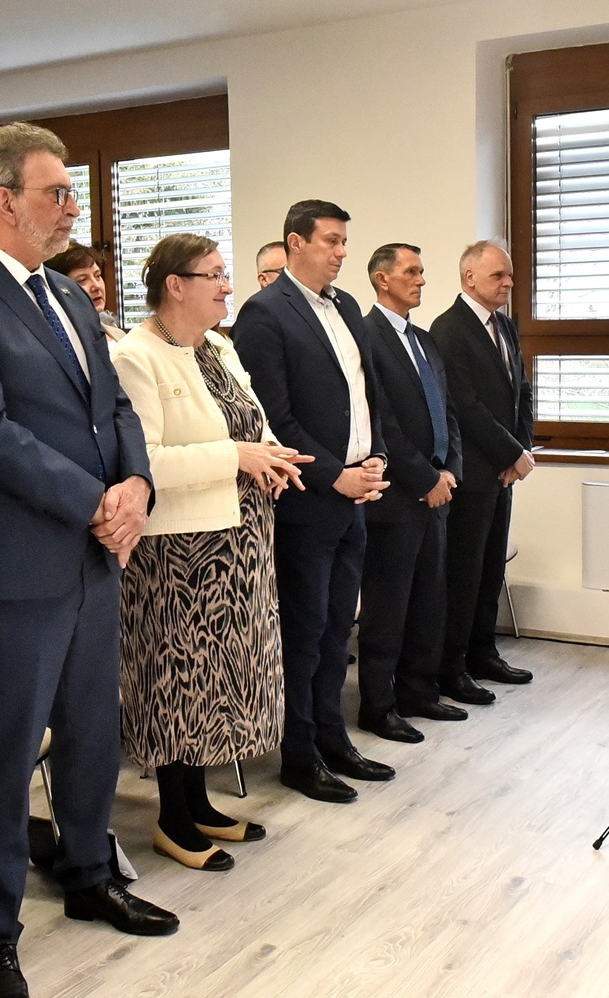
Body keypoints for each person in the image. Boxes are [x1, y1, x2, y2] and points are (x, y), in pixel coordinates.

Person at [0, 122, 174, 998]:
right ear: (3, 201)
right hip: (15, 559)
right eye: (56, 192)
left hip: (95, 553)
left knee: (94, 730)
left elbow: (115, 406)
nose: (71, 208)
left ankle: (90, 872)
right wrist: (96, 500)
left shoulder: (66, 294)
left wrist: (136, 483)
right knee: (6, 749)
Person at [113, 233, 308, 870]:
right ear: (176, 285)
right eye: (215, 275)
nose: (228, 286)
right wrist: (238, 458)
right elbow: (143, 461)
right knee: (177, 683)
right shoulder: (137, 355)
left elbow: (253, 421)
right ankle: (172, 818)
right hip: (178, 553)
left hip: (241, 539)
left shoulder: (218, 347)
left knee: (218, 681)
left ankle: (199, 804)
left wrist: (272, 457)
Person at [231, 199, 392, 805]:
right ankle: (298, 754)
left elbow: (365, 394)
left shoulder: (346, 305)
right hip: (307, 500)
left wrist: (375, 457)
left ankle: (333, 738)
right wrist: (334, 476)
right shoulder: (264, 313)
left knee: (337, 630)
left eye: (344, 241)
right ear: (295, 243)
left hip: (355, 494)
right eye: (330, 240)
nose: (342, 252)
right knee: (304, 631)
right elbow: (273, 418)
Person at [357, 244, 467, 742]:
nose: (421, 280)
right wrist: (424, 478)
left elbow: (447, 410)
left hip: (438, 491)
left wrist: (450, 471)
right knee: (388, 606)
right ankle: (378, 706)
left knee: (429, 599)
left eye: (422, 271)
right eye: (411, 271)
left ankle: (419, 691)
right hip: (398, 496)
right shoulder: (366, 336)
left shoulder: (423, 340)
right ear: (383, 279)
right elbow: (382, 421)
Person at [429, 240, 535, 705]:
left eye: (509, 275)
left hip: (503, 472)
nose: (509, 283)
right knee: (464, 572)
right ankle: (451, 668)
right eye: (498, 276)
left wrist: (521, 450)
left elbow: (521, 392)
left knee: (491, 567)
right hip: (471, 472)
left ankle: (483, 652)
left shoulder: (505, 325)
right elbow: (465, 406)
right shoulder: (448, 329)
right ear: (469, 277)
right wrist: (510, 452)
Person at [46, 242, 124, 342]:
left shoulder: (116, 332)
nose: (96, 286)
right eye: (82, 280)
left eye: (98, 275)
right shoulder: (59, 339)